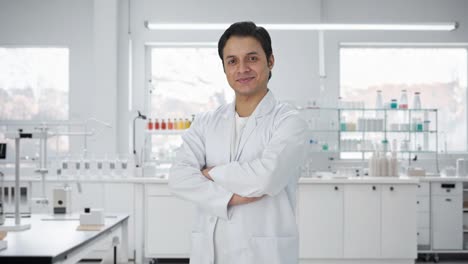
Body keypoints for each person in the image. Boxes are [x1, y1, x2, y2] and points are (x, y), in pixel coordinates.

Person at [169, 21, 307, 264]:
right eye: (232, 61)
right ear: (224, 68)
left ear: (270, 61)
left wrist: (209, 174)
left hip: (264, 254)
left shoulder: (288, 122)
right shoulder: (205, 122)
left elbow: (266, 177)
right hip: (210, 253)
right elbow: (178, 177)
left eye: (252, 58)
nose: (242, 68)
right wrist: (232, 197)